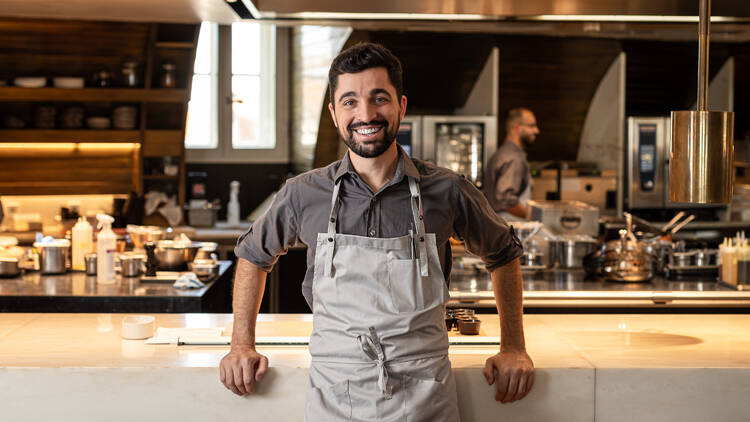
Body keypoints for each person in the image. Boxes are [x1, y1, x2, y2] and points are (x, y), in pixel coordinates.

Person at [219, 42, 535, 420]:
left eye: (379, 98)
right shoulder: (304, 193)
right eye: (350, 101)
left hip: (424, 397)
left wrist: (513, 346)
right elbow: (253, 256)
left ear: (401, 106)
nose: (365, 114)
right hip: (334, 395)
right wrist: (241, 345)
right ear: (335, 114)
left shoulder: (448, 189)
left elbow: (504, 254)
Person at [484, 108, 540, 221]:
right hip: (511, 228)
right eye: (532, 126)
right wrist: (534, 217)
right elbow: (505, 200)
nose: (536, 131)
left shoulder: (503, 153)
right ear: (516, 128)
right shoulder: (513, 158)